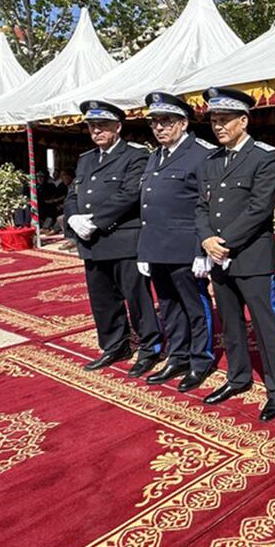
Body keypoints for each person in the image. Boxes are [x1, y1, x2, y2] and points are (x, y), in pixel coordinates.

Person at [194, 86, 275, 422]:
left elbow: (259, 208)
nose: (218, 126)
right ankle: (238, 378)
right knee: (231, 322)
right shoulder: (211, 161)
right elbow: (200, 207)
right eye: (214, 120)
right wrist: (206, 239)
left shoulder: (264, 156)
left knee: (265, 324)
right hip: (217, 256)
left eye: (224, 119)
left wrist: (221, 242)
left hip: (251, 256)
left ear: (244, 121)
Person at [64, 99, 163, 377]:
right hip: (92, 243)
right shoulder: (86, 159)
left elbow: (130, 194)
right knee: (103, 300)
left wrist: (94, 222)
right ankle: (115, 345)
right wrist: (72, 218)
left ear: (117, 127)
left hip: (122, 239)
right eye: (92, 126)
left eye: (102, 125)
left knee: (137, 299)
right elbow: (73, 194)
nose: (96, 131)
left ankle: (149, 347)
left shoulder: (135, 155)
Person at [136, 92, 218, 392]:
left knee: (195, 307)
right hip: (157, 247)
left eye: (166, 121)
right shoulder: (155, 155)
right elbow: (148, 206)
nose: (159, 127)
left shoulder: (202, 154)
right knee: (169, 307)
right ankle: (178, 356)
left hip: (186, 248)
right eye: (155, 122)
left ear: (183, 123)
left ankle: (200, 359)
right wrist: (144, 250)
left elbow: (207, 205)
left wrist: (201, 250)